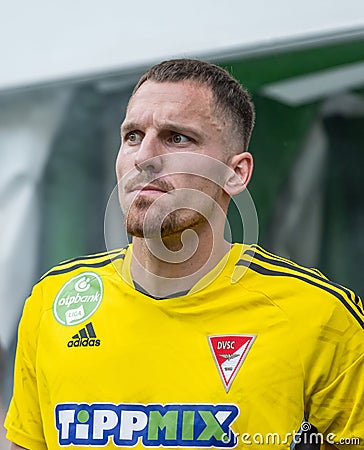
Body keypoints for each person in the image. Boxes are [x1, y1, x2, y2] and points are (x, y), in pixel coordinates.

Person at [5, 59, 363, 450]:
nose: (144, 157)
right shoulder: (53, 302)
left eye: (177, 138)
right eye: (132, 136)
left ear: (236, 173)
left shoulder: (320, 315)